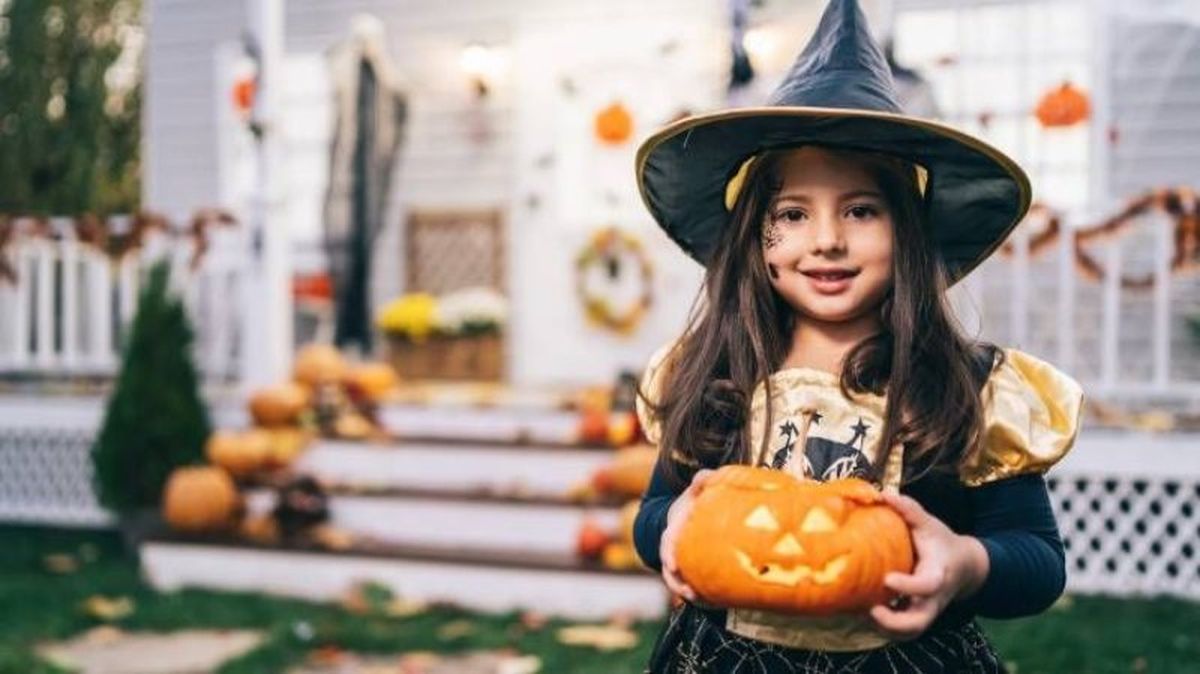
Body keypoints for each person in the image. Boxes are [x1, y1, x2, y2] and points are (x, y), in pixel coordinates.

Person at [630, 1, 1085, 672]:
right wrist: (668, 526)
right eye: (792, 213)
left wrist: (966, 564)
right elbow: (656, 510)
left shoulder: (971, 388)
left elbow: (1038, 559)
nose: (827, 240)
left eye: (861, 210)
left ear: (907, 229)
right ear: (755, 238)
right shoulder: (715, 372)